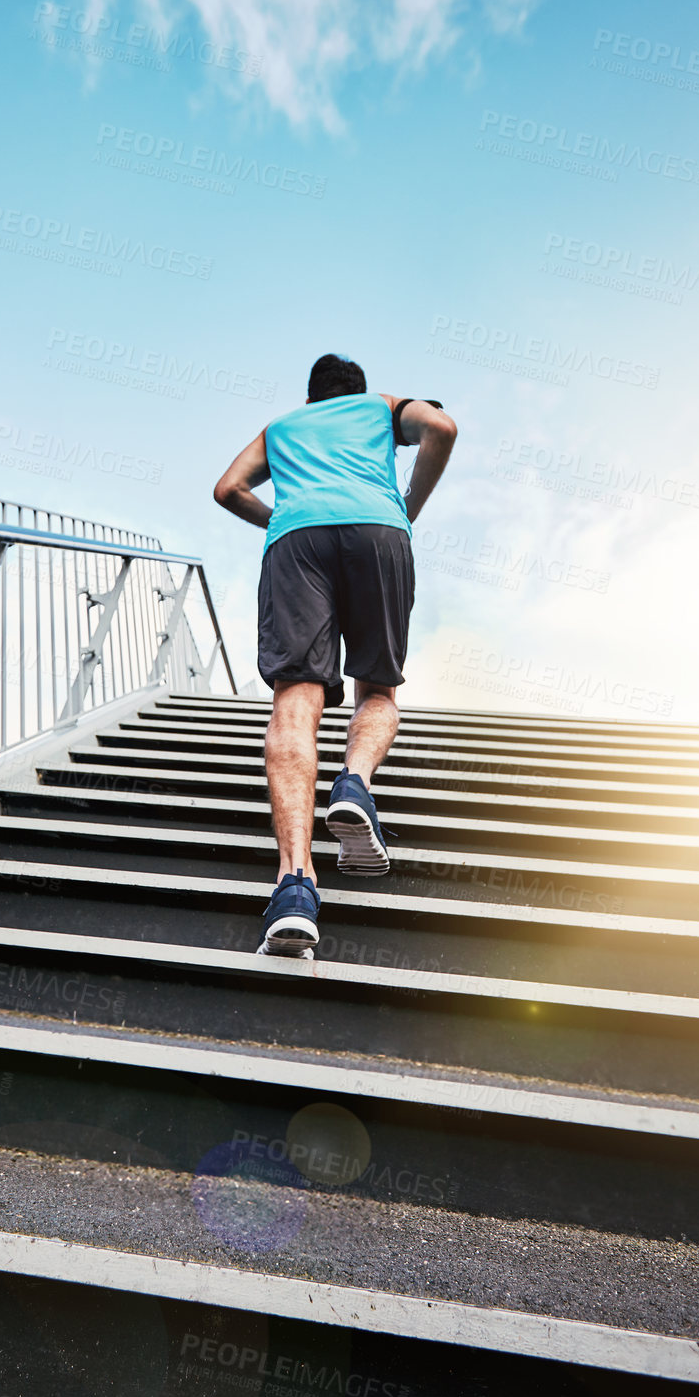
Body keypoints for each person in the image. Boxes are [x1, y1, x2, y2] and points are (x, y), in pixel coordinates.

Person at [212, 353, 457, 956]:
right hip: (378, 530)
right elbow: (442, 430)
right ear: (357, 391)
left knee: (295, 699)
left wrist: (283, 519)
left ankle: (294, 885)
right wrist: (405, 506)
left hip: (295, 542)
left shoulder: (282, 428)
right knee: (378, 688)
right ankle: (353, 782)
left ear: (312, 395)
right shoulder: (382, 408)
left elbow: (227, 489)